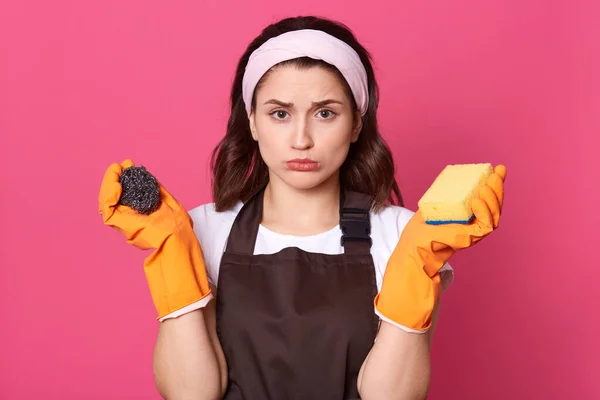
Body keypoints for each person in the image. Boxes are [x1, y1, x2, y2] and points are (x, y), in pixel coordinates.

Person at [98, 15, 506, 400]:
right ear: (253, 123)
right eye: (280, 113)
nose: (301, 140)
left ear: (356, 125)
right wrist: (173, 254)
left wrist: (416, 266)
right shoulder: (202, 231)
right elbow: (192, 393)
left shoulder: (403, 236)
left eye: (325, 113)